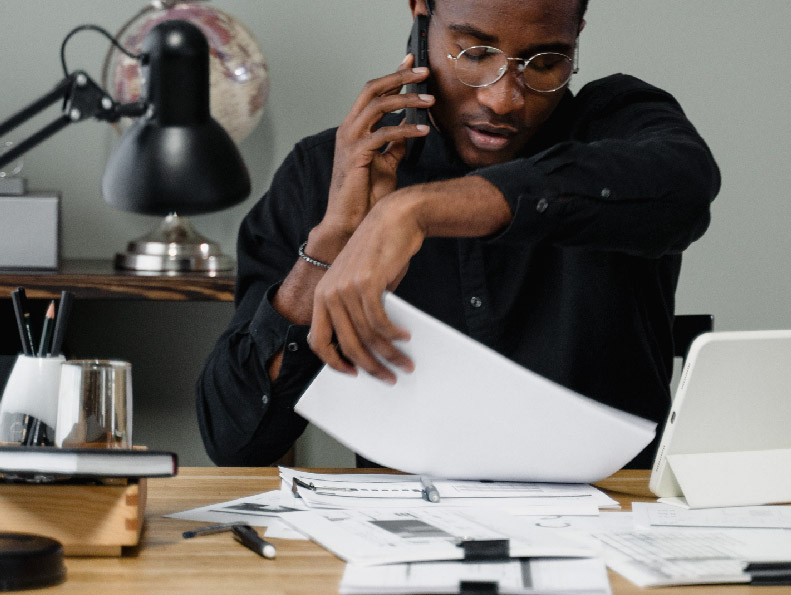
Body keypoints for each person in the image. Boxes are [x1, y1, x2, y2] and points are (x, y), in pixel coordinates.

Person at [196, 0, 721, 468]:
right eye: (473, 54)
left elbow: (686, 185)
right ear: (420, 13)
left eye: (545, 63)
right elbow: (237, 441)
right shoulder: (326, 173)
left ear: (578, 33)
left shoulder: (618, 129)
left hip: (616, 530)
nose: (504, 99)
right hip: (400, 540)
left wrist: (415, 210)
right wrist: (332, 243)